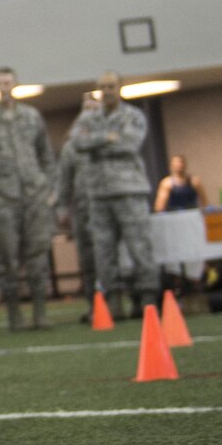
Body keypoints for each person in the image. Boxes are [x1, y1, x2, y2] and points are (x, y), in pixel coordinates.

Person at [0, 66, 57, 332]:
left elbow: (46, 157)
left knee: (38, 254)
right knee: (7, 258)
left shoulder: (31, 117)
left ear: (15, 84)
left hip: (34, 196)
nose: (4, 87)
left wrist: (47, 187)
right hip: (3, 199)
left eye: (8, 82)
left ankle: (40, 312)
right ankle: (14, 314)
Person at [73, 72, 156, 317]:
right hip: (98, 193)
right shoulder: (88, 118)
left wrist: (95, 141)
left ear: (120, 88)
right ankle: (111, 303)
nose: (107, 90)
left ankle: (147, 298)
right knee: (103, 250)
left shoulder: (133, 116)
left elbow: (129, 144)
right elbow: (77, 143)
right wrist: (107, 137)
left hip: (129, 191)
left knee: (139, 245)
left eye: (111, 86)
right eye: (102, 87)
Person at [56, 95, 100, 317]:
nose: (90, 112)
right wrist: (62, 208)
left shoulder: (109, 140)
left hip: (107, 205)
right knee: (88, 258)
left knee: (113, 256)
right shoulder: (71, 147)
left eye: (95, 108)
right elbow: (64, 179)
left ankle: (123, 303)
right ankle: (96, 305)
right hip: (83, 209)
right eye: (87, 108)